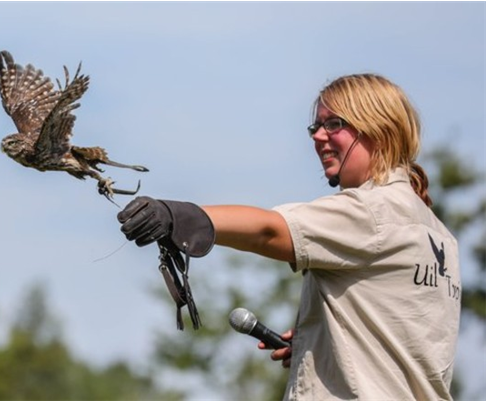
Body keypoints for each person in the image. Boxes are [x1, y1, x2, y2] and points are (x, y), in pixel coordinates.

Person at [117, 73, 461, 400]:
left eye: (334, 124)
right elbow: (402, 338)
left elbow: (270, 230)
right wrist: (323, 343)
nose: (318, 136)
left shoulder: (371, 212)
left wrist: (179, 216)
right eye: (316, 126)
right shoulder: (440, 236)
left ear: (380, 129)